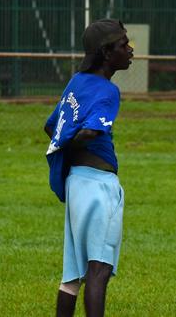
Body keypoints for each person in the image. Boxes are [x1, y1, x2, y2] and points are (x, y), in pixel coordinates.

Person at [44, 19, 133, 317]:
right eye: (124, 44)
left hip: (75, 183)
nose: (130, 49)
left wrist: (62, 146)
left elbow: (51, 126)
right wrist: (71, 142)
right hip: (98, 186)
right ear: (107, 53)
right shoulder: (108, 91)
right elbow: (91, 132)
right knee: (99, 270)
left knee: (72, 275)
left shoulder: (76, 82)